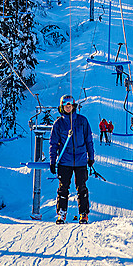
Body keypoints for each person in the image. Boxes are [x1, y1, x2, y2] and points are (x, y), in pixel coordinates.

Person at [50, 94, 94, 225]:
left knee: (82, 187)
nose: (68, 108)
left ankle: (83, 214)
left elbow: (89, 140)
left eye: (70, 105)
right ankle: (61, 214)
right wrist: (53, 161)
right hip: (65, 160)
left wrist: (91, 157)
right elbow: (53, 143)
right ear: (62, 107)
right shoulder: (59, 123)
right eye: (65, 106)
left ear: (73, 106)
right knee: (63, 188)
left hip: (80, 160)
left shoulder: (82, 121)